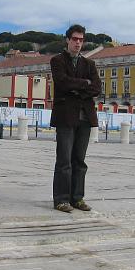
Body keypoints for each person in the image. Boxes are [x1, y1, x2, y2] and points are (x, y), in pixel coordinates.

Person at [50, 24, 101, 213]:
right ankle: (61, 200)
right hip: (65, 117)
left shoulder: (89, 64)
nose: (78, 43)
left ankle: (77, 198)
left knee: (80, 160)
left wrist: (77, 88)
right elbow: (62, 83)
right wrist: (84, 84)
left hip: (85, 118)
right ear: (68, 40)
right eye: (75, 39)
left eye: (81, 40)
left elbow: (96, 88)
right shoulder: (57, 61)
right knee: (64, 160)